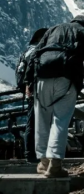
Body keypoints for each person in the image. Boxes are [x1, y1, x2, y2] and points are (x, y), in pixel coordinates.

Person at [27, 15, 84, 177]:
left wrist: (28, 81)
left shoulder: (54, 29)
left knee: (42, 120)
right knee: (60, 120)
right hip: (66, 78)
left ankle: (43, 162)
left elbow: (35, 54)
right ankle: (55, 165)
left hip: (42, 76)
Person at [15, 27, 48, 163]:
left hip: (30, 90)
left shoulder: (26, 52)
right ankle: (32, 154)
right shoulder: (37, 51)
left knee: (32, 121)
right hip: (36, 90)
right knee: (35, 122)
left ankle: (31, 153)